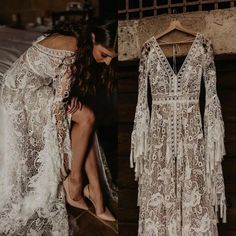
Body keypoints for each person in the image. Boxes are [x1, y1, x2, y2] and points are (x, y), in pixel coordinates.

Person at [0, 18, 118, 235]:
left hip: (38, 85)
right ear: (93, 38)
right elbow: (57, 107)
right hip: (20, 92)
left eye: (112, 58)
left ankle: (90, 190)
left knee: (86, 117)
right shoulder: (74, 48)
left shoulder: (79, 42)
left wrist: (68, 96)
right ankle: (79, 185)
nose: (108, 62)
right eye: (105, 54)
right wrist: (62, 153)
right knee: (87, 117)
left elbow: (56, 79)